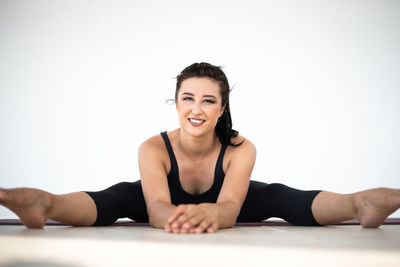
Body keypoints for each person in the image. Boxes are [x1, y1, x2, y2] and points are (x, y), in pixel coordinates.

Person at [0, 62, 399, 234]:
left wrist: (211, 213)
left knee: (276, 196)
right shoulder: (152, 148)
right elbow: (156, 208)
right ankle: (45, 205)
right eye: (187, 98)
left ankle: (359, 204)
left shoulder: (241, 149)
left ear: (222, 108)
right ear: (176, 104)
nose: (196, 109)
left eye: (208, 100)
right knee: (121, 196)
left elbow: (228, 207)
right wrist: (175, 218)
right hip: (162, 205)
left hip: (227, 201)